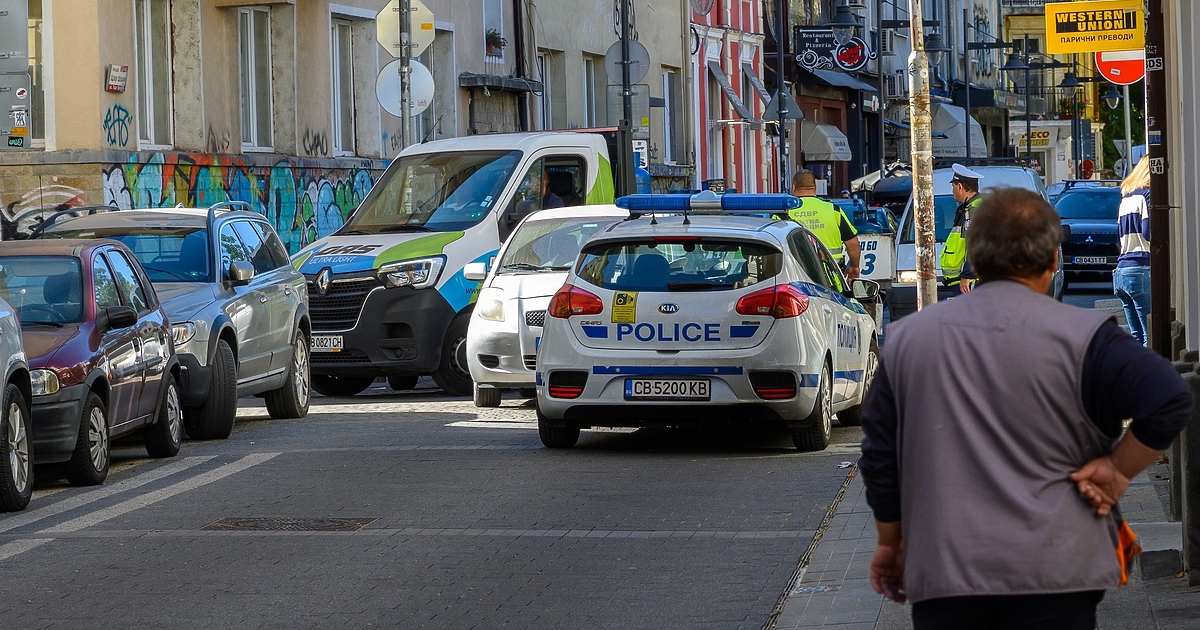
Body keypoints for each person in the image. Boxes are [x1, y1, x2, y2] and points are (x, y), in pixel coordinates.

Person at [859, 187, 1192, 630]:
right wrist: (1117, 469)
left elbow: (881, 456)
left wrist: (890, 540)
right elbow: (1170, 397)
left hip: (948, 569)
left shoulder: (907, 341)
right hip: (1058, 569)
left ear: (974, 261)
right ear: (1054, 260)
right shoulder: (1089, 337)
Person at [778, 169, 862, 280]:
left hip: (795, 280)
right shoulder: (833, 210)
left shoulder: (783, 213)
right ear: (815, 187)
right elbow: (853, 243)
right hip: (832, 280)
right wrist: (854, 266)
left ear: (793, 188)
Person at [1114, 157, 1152, 346]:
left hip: (1121, 271)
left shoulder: (1126, 199)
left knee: (1136, 337)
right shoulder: (1147, 195)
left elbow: (1118, 237)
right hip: (1140, 267)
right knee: (1149, 337)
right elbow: (1148, 232)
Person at [940, 163, 984, 295]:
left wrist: (967, 275)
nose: (952, 191)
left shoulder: (973, 210)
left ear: (960, 186)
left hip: (971, 281)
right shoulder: (973, 207)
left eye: (953, 186)